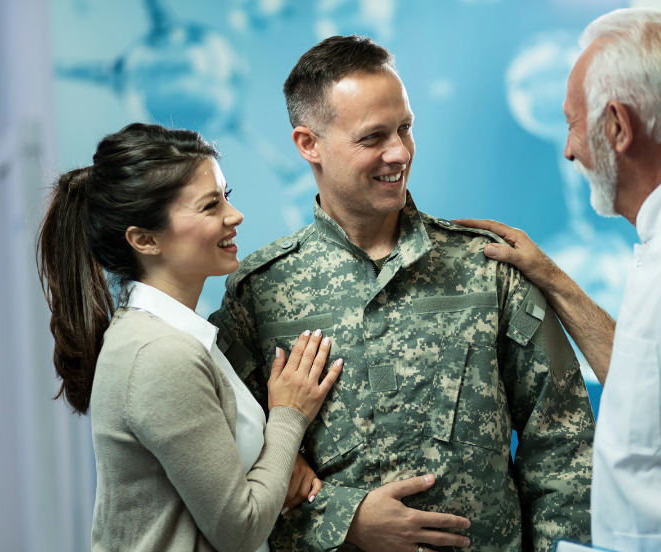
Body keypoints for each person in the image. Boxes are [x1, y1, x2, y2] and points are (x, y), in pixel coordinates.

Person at [209, 35, 596, 552]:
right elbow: (229, 469)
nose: (400, 152)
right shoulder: (259, 294)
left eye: (406, 128)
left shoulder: (488, 267)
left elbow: (563, 443)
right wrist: (345, 523)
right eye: (373, 138)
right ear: (309, 144)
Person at [457, 8, 661, 552]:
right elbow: (644, 380)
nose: (568, 149)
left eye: (571, 123)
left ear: (617, 126)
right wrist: (552, 278)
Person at [36, 122, 345, 552]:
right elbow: (239, 529)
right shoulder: (160, 353)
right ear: (145, 240)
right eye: (209, 206)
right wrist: (289, 416)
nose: (233, 216)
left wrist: (277, 467)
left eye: (227, 196)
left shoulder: (177, 334)